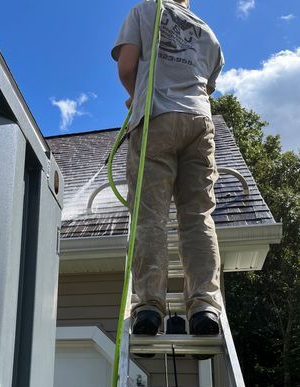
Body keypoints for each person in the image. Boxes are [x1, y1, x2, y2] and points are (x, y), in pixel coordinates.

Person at [111, 0, 225, 337]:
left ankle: (149, 305)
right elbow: (205, 87)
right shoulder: (209, 33)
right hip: (199, 123)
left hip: (157, 117)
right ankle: (204, 304)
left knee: (150, 216)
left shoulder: (145, 11)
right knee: (197, 215)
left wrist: (137, 98)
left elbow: (126, 67)